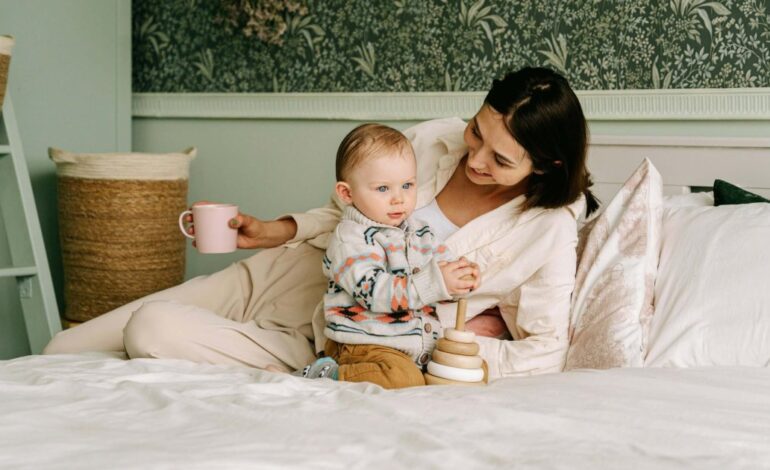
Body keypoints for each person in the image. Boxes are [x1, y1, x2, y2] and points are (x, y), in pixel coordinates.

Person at [44, 66, 598, 381]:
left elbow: (545, 347)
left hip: (338, 343)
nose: (476, 159)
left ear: (546, 165)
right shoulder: (435, 139)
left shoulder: (545, 230)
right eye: (478, 132)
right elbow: (344, 211)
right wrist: (272, 231)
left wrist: (451, 347)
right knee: (60, 355)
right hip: (289, 274)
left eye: (501, 160)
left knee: (151, 330)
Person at [293, 123, 480, 388]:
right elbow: (374, 293)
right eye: (383, 189)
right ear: (347, 193)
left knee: (471, 371)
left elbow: (442, 269)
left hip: (414, 347)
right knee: (401, 379)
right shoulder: (351, 238)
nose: (399, 199)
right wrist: (436, 282)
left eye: (407, 185)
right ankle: (323, 374)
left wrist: (461, 277)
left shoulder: (420, 232)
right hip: (362, 344)